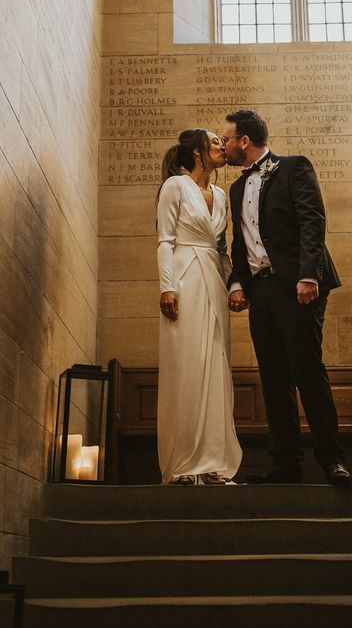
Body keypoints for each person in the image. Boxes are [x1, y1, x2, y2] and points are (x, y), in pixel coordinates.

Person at [223, 110, 352, 485]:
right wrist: (237, 282)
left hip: (298, 287)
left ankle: (332, 460)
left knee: (307, 371)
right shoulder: (235, 188)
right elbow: (241, 241)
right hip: (261, 292)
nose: (225, 144)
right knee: (273, 378)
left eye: (227, 137)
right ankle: (286, 465)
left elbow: (313, 220)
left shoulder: (294, 167)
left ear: (244, 140)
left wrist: (309, 274)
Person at [156, 128, 242, 485]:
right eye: (216, 141)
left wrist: (235, 284)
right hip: (184, 277)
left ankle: (212, 463)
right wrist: (167, 287)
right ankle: (182, 465)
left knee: (215, 366)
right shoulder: (175, 187)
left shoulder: (221, 195)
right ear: (197, 152)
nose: (223, 146)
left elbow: (222, 248)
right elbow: (164, 239)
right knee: (187, 364)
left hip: (213, 278)